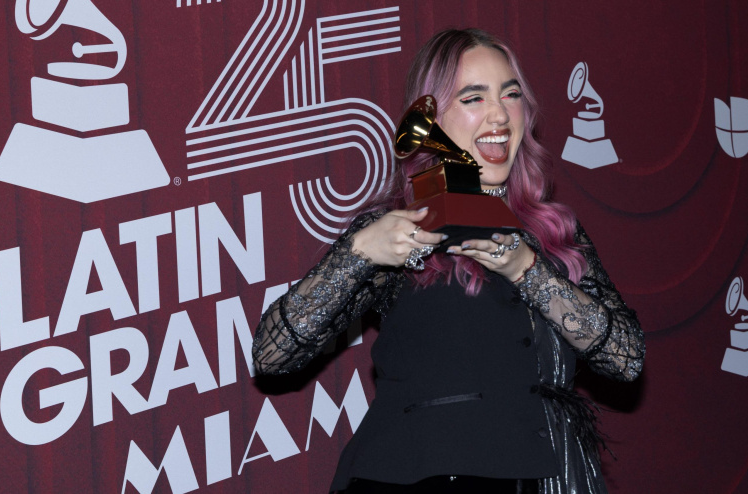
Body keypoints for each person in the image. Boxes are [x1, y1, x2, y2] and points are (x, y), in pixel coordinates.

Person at [252, 28, 645, 493]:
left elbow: (627, 360)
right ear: (433, 119)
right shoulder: (395, 229)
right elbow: (271, 356)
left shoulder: (554, 232)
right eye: (473, 98)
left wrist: (528, 270)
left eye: (511, 93)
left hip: (544, 476)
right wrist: (358, 253)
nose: (499, 114)